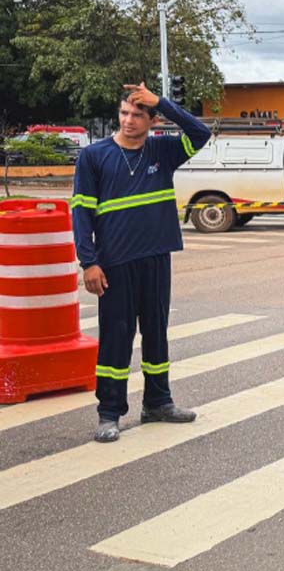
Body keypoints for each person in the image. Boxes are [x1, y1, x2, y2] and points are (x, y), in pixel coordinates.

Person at [71, 83, 212, 443]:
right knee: (116, 338)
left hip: (155, 257)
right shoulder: (94, 157)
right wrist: (88, 262)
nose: (128, 120)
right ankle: (109, 413)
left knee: (156, 332)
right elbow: (82, 213)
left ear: (152, 121)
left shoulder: (163, 151)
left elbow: (201, 132)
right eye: (124, 113)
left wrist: (162, 102)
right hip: (115, 263)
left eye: (137, 114)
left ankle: (158, 402)